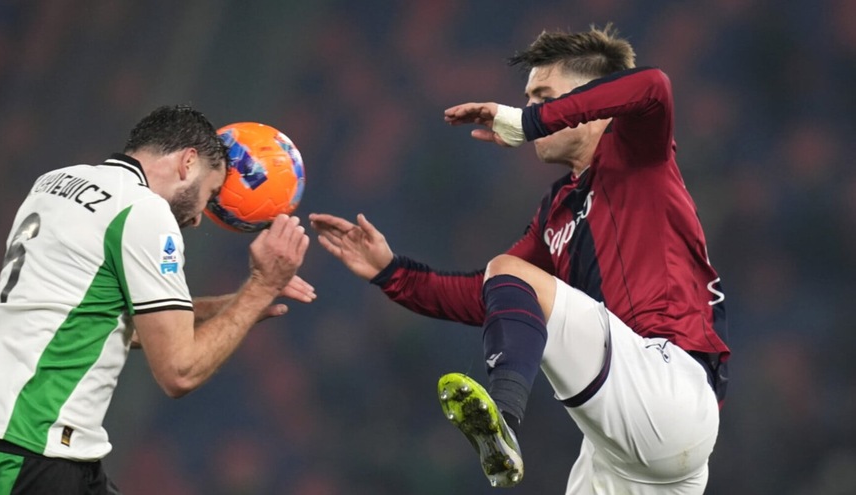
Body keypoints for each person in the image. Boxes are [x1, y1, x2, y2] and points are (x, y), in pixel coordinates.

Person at [310, 25, 729, 493]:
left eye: (542, 96)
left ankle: (504, 416)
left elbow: (654, 87)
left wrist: (531, 123)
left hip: (670, 385)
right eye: (529, 101)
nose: (530, 108)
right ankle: (502, 426)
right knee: (506, 277)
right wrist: (391, 273)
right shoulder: (556, 211)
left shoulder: (637, 153)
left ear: (592, 100)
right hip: (629, 448)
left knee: (509, 273)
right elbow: (493, 295)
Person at [0, 105, 314, 494]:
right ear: (187, 163)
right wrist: (260, 287)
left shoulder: (54, 182)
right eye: (211, 193)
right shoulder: (142, 211)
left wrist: (238, 305)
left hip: (35, 450)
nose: (200, 217)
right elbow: (179, 371)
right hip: (25, 454)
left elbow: (99, 321)